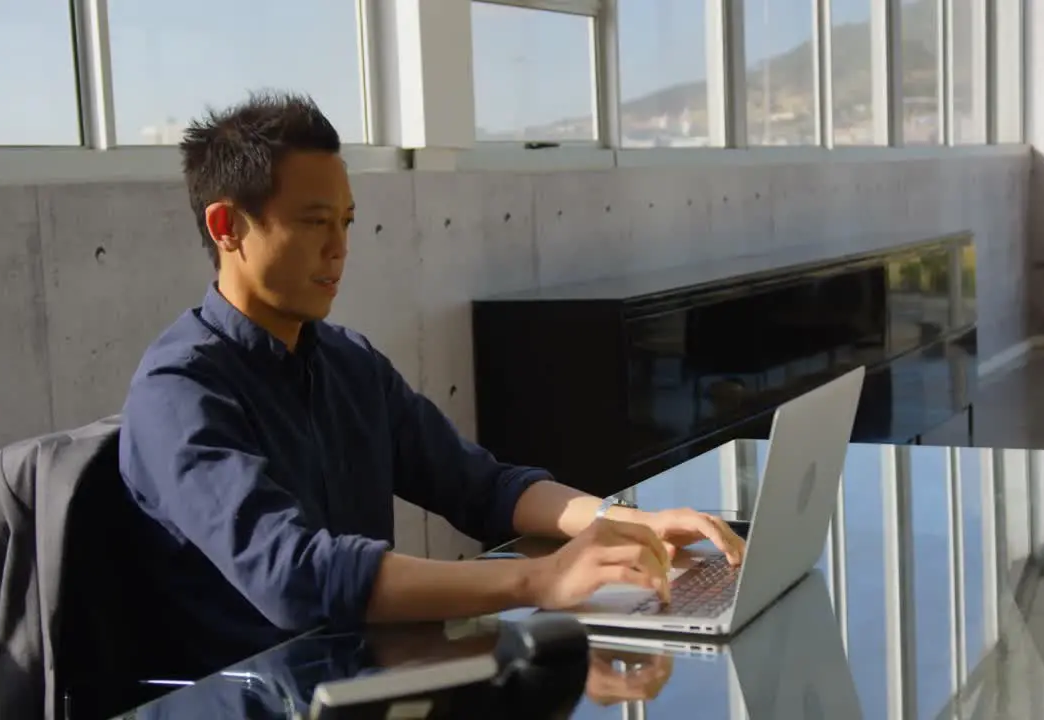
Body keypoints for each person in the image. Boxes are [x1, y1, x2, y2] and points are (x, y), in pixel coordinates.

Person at [118, 91, 745, 677]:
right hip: (256, 697)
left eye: (347, 222)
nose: (339, 249)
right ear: (227, 226)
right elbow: (297, 577)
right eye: (314, 223)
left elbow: (481, 485)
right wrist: (540, 580)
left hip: (372, 680)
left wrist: (623, 521)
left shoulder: (348, 362)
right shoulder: (180, 391)